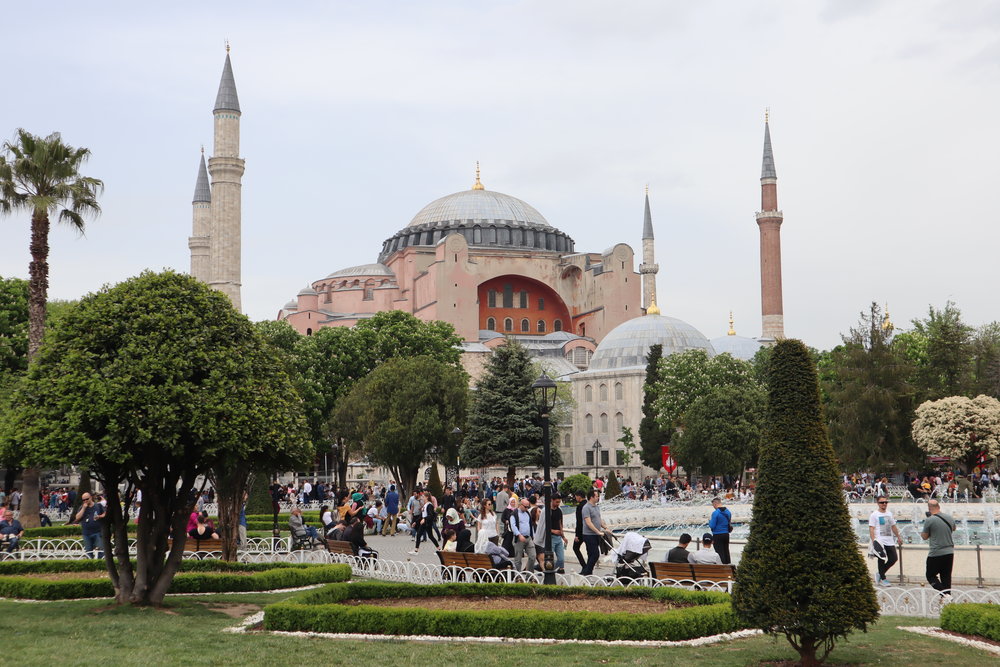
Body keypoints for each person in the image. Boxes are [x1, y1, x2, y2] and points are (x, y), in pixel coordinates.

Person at [921, 499, 956, 595]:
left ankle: (944, 595)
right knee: (946, 577)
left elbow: (924, 537)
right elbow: (954, 528)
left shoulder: (929, 520)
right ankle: (947, 597)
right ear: (938, 507)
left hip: (936, 553)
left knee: (930, 575)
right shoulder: (949, 517)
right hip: (949, 552)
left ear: (929, 508)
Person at [869, 496, 902, 586]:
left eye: (886, 502)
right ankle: (883, 578)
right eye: (882, 502)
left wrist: (898, 536)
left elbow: (893, 526)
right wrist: (873, 541)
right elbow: (871, 528)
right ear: (878, 503)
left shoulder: (889, 514)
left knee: (893, 559)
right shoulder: (874, 514)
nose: (884, 504)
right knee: (881, 559)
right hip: (880, 540)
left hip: (889, 540)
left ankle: (880, 573)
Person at [533, 492, 568, 573]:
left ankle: (545, 567)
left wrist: (563, 536)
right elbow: (543, 526)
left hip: (558, 538)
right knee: (549, 558)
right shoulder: (546, 511)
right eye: (557, 502)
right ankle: (547, 569)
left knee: (561, 559)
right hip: (549, 537)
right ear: (552, 500)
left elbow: (560, 524)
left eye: (559, 502)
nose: (558, 504)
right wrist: (554, 531)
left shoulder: (559, 510)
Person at [580, 489, 609, 575]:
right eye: (597, 496)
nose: (598, 498)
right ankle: (586, 571)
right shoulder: (586, 508)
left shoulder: (596, 507)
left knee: (591, 554)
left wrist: (606, 528)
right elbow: (588, 522)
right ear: (592, 497)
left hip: (596, 535)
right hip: (589, 535)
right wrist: (598, 532)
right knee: (595, 554)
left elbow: (599, 520)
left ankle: (588, 573)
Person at [75, 491, 106, 559]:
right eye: (84, 500)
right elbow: (77, 518)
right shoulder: (82, 507)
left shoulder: (98, 506)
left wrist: (99, 516)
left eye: (87, 499)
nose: (85, 501)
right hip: (86, 533)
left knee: (101, 551)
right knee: (88, 552)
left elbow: (105, 514)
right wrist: (83, 508)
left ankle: (100, 564)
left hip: (97, 532)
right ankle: (90, 564)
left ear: (91, 497)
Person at [509, 497, 537, 571]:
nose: (527, 508)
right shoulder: (514, 514)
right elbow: (513, 526)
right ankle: (518, 576)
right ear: (520, 505)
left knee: (533, 556)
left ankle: (530, 575)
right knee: (518, 560)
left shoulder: (527, 513)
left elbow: (530, 525)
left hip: (528, 538)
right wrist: (519, 534)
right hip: (519, 539)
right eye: (525, 507)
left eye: (528, 507)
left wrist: (532, 535)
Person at [708, 497, 732, 564]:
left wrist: (709, 521)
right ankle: (729, 567)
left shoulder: (715, 513)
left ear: (715, 503)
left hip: (717, 534)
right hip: (726, 534)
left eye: (713, 505)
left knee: (720, 553)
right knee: (726, 551)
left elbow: (712, 525)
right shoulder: (728, 512)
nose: (713, 507)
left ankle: (722, 569)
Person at [572, 489, 587, 569]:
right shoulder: (588, 505)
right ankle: (588, 567)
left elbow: (579, 521)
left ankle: (584, 566)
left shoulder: (580, 506)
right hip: (589, 531)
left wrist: (577, 535)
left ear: (579, 497)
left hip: (581, 532)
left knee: (575, 548)